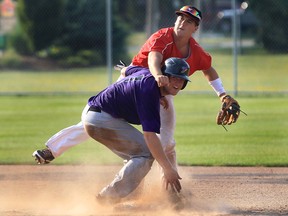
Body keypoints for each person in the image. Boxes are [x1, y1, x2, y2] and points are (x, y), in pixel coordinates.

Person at [33, 6, 238, 170]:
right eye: (181, 18)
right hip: (135, 80)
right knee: (100, 116)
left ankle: (160, 180)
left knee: (166, 139)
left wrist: (222, 94)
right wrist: (157, 76)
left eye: (189, 21)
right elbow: (153, 58)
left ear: (195, 28)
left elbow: (209, 70)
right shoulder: (163, 37)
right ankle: (53, 149)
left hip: (161, 89)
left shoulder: (196, 52)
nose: (183, 22)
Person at [83, 58, 190, 201]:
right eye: (174, 78)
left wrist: (155, 95)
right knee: (147, 152)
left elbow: (125, 70)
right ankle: (108, 197)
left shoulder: (146, 73)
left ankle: (130, 195)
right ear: (164, 76)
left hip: (95, 114)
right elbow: (150, 136)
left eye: (181, 80)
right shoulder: (149, 92)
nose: (178, 83)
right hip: (102, 119)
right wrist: (167, 168)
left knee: (137, 154)